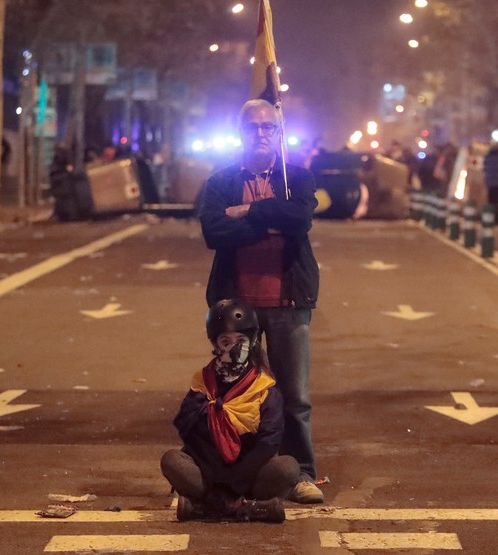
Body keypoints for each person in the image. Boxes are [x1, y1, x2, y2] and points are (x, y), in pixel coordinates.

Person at [198, 99, 323, 504]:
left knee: (294, 396)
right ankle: (238, 474)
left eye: (269, 127)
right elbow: (215, 231)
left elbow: (299, 219)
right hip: (236, 309)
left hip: (288, 299)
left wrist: (248, 211)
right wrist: (270, 220)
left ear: (279, 132)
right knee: (235, 395)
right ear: (241, 132)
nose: (261, 134)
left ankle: (300, 473)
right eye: (253, 128)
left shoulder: (297, 178)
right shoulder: (221, 181)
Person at [161, 299, 300, 522]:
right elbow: (192, 437)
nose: (233, 347)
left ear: (252, 341)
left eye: (241, 340)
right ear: (215, 344)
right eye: (226, 340)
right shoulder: (202, 383)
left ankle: (208, 507)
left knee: (288, 468)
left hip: (250, 475)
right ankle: (246, 509)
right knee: (171, 460)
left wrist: (234, 484)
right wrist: (218, 481)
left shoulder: (263, 387)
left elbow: (268, 443)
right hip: (209, 473)